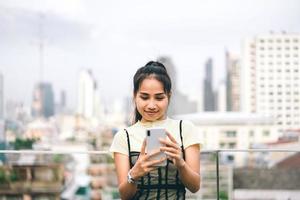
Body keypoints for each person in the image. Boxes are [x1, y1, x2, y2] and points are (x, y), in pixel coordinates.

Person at [110, 61, 201, 199]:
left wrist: (181, 163)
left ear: (168, 97)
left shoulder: (185, 129)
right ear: (135, 96)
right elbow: (124, 195)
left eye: (159, 98)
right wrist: (134, 174)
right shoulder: (124, 137)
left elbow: (194, 187)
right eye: (144, 97)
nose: (151, 105)